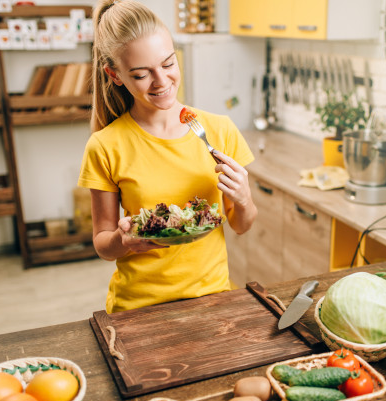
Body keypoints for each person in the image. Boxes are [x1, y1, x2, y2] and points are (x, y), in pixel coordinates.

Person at [78, 0, 257, 313]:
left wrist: (244, 199)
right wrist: (124, 240)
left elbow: (241, 225)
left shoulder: (219, 130)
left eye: (168, 64)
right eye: (141, 74)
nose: (161, 81)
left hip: (212, 299)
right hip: (138, 307)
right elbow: (103, 244)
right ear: (115, 75)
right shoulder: (105, 145)